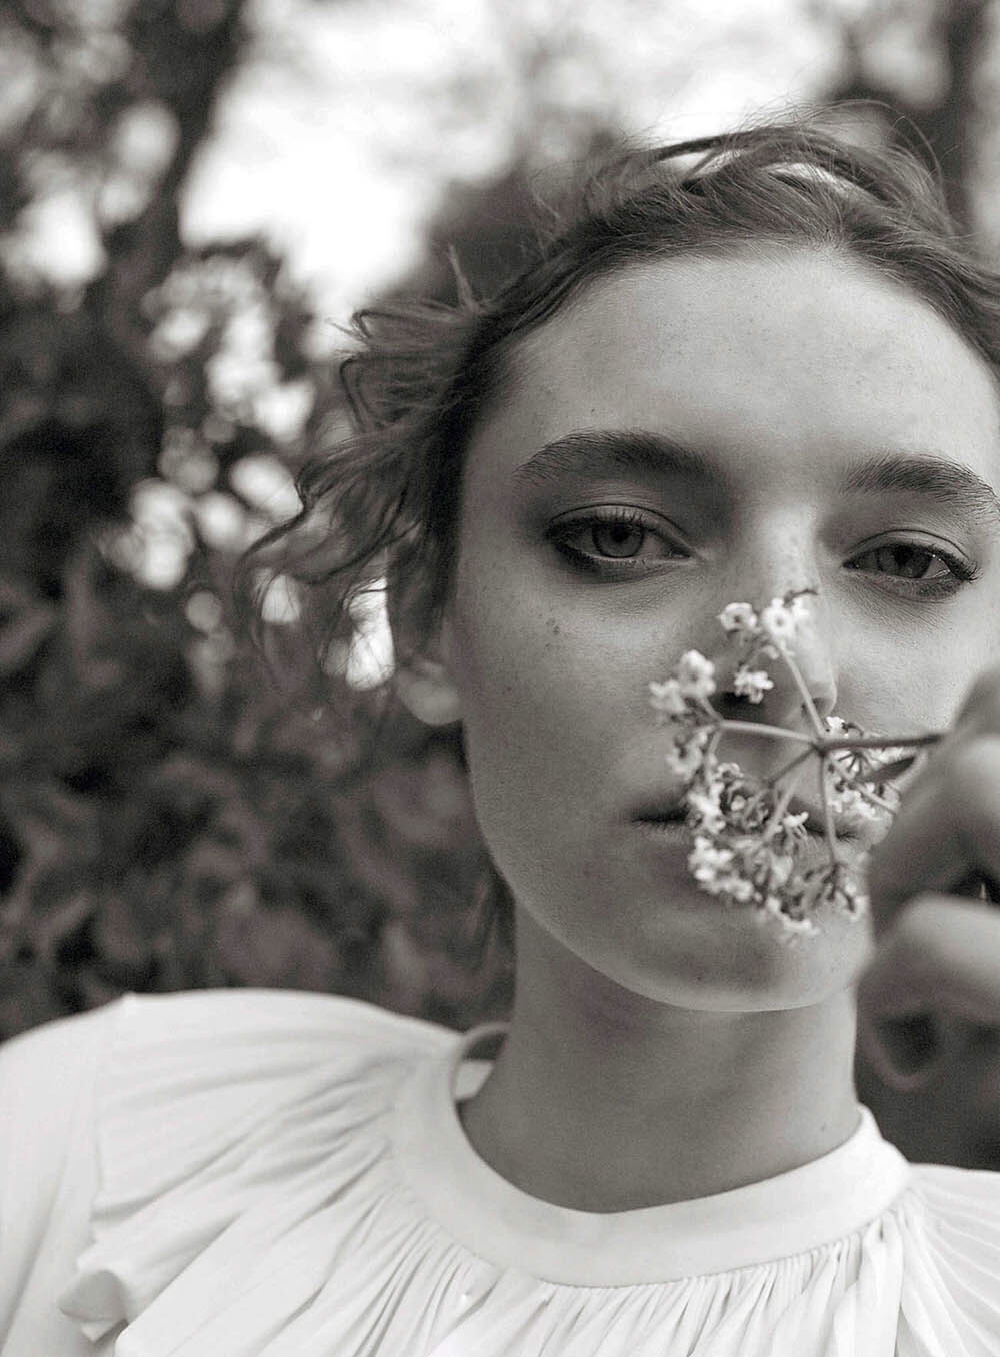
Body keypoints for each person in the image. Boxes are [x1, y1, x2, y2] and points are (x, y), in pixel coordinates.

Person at [3, 111, 1000, 1356]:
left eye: (906, 560)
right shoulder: (100, 1145)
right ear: (427, 618)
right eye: (620, 535)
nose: (776, 667)